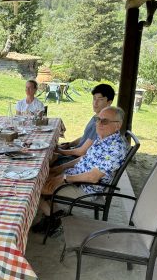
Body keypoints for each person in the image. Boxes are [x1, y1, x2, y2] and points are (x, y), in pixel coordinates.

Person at [33, 106, 127, 234]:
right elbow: (84, 158)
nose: (99, 123)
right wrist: (60, 168)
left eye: (104, 121)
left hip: (85, 188)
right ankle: (55, 212)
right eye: (97, 119)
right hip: (76, 177)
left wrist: (63, 178)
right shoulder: (105, 138)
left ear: (118, 125)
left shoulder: (115, 147)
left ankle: (53, 219)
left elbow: (93, 177)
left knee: (34, 188)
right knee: (39, 175)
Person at [53, 83, 116, 164]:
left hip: (81, 161)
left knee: (47, 160)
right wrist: (68, 145)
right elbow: (86, 137)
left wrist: (61, 151)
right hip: (76, 154)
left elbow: (82, 152)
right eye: (94, 98)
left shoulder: (102, 123)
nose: (95, 103)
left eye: (100, 99)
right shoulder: (97, 116)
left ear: (109, 102)